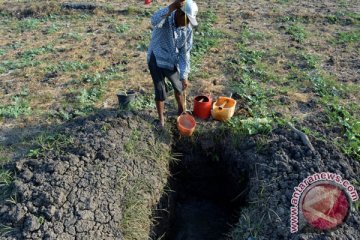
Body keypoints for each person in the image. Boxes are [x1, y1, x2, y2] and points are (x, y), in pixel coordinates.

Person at [147, 0, 198, 128]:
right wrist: (172, 7)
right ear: (180, 14)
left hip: (170, 60)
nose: (187, 24)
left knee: (179, 86)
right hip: (156, 58)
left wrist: (184, 74)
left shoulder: (187, 29)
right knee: (160, 90)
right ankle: (161, 121)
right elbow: (154, 20)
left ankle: (181, 113)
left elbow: (184, 52)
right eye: (187, 20)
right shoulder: (166, 18)